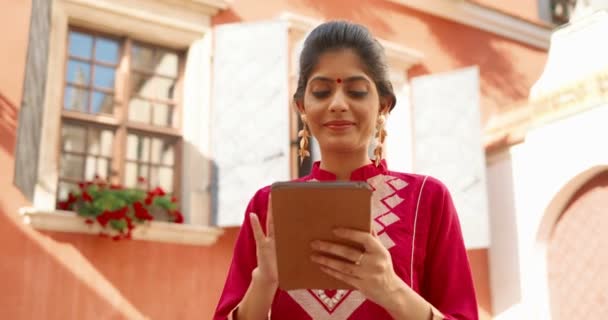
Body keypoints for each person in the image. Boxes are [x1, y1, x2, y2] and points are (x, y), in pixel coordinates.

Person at [213, 20, 478, 320]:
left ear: (384, 105)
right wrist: (265, 282)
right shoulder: (267, 207)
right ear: (302, 106)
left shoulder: (427, 199)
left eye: (357, 91)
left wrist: (391, 289)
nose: (338, 104)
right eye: (322, 92)